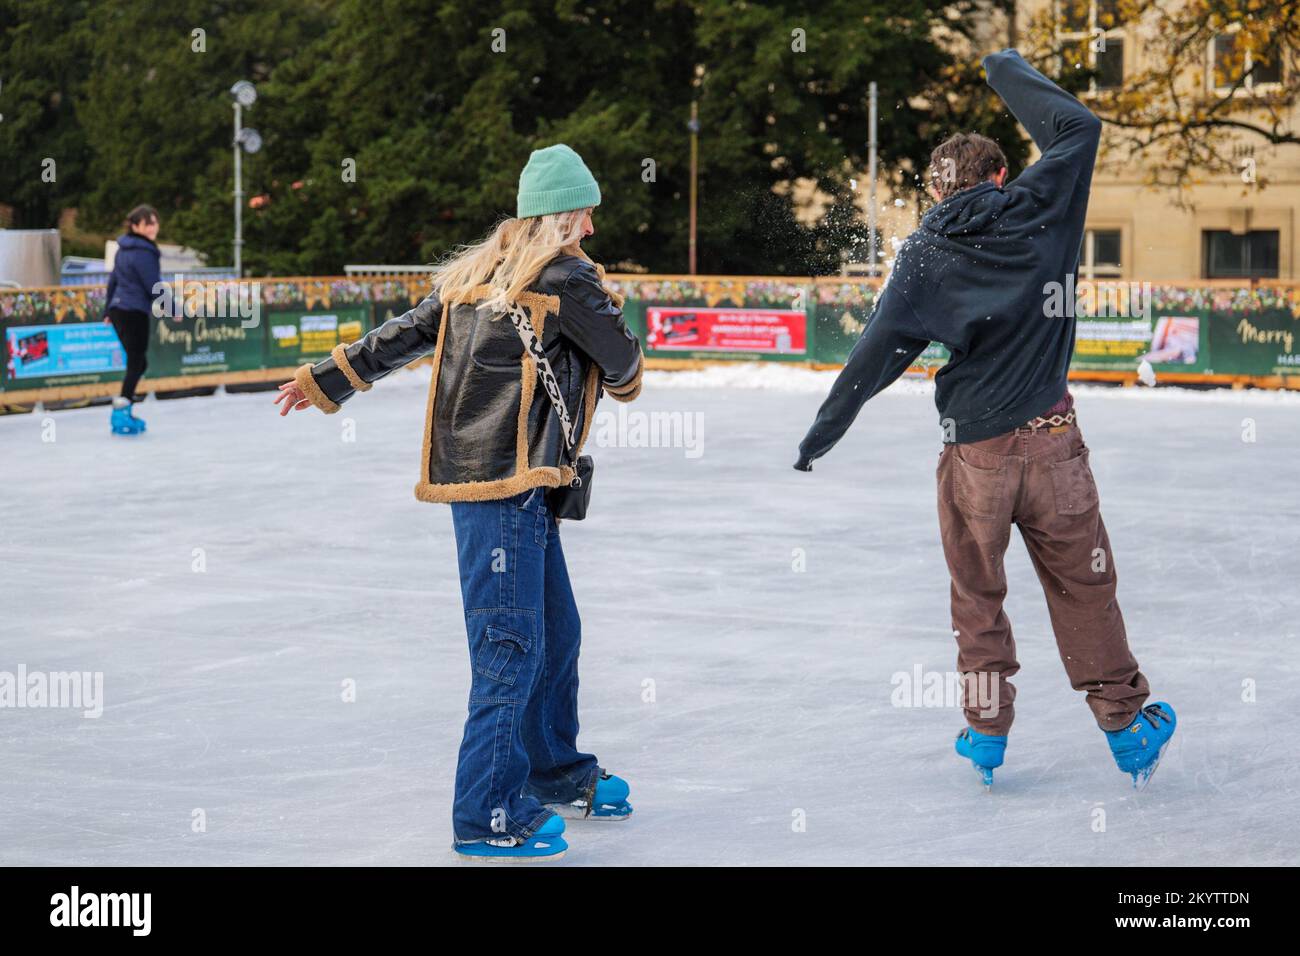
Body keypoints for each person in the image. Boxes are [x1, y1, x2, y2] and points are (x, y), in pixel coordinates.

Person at [793, 50, 1175, 788]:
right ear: (1001, 174)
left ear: (937, 190)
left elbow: (873, 358)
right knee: (1083, 588)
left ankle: (986, 734)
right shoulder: (1042, 205)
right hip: (1054, 442)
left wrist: (820, 436)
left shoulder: (924, 253)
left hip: (975, 455)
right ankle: (1127, 728)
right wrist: (1002, 68)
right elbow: (1078, 127)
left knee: (977, 594)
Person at [276, 144, 645, 860]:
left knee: (556, 633)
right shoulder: (569, 279)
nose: (593, 229)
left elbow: (400, 338)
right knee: (510, 649)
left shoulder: (478, 278)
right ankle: (485, 815)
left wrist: (327, 378)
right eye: (588, 215)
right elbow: (627, 370)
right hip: (505, 488)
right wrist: (609, 309)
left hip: (511, 487)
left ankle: (553, 771)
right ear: (565, 217)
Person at [103, 204, 162, 435]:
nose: (152, 227)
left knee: (138, 362)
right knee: (137, 362)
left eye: (155, 222)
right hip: (133, 311)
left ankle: (123, 408)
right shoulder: (145, 251)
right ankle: (120, 412)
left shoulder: (123, 249)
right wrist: (173, 307)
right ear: (136, 225)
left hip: (119, 310)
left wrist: (108, 310)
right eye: (148, 223)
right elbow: (152, 285)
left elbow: (113, 281)